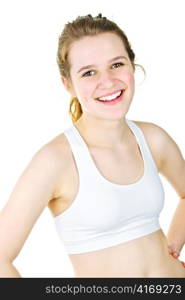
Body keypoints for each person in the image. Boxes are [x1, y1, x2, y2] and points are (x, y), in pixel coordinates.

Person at [0, 13, 185, 278]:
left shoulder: (154, 139)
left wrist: (174, 243)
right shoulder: (56, 160)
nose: (108, 81)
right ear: (68, 84)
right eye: (89, 72)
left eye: (117, 64)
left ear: (132, 66)